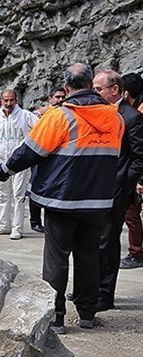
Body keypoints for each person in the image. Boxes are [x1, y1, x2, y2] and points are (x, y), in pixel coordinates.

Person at [0, 63, 124, 334]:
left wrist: (2, 170)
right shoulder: (114, 118)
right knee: (89, 256)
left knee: (56, 258)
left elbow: (30, 152)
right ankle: (87, 314)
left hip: (62, 199)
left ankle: (56, 316)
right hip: (96, 200)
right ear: (89, 83)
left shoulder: (59, 116)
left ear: (68, 87)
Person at [91, 70, 143, 311]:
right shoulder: (97, 114)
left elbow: (139, 158)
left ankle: (104, 295)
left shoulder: (132, 117)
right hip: (92, 188)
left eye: (99, 89)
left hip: (115, 191)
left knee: (108, 243)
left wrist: (123, 184)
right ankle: (88, 289)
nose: (94, 93)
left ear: (115, 90)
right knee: (90, 240)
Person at [0, 89, 39, 239]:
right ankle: (3, 225)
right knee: (3, 194)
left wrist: (30, 152)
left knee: (18, 195)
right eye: (6, 100)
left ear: (16, 100)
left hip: (19, 162)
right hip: (2, 160)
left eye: (11, 100)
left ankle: (17, 228)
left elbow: (40, 129)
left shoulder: (25, 116)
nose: (8, 103)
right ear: (1, 101)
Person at [29, 87, 67, 232]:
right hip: (40, 155)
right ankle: (35, 221)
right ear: (50, 99)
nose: (60, 100)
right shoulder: (40, 115)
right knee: (35, 187)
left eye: (63, 96)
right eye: (57, 97)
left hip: (57, 158)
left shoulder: (67, 114)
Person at [120, 74, 143, 270]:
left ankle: (136, 252)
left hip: (137, 174)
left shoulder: (136, 114)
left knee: (132, 214)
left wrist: (138, 179)